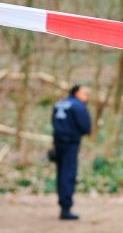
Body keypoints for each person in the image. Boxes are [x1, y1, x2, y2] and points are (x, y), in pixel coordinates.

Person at [51, 84, 91, 220]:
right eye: (85, 93)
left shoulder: (59, 104)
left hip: (58, 143)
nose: (87, 96)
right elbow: (86, 126)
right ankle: (66, 208)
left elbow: (54, 123)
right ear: (77, 92)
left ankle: (63, 204)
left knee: (61, 173)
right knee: (68, 174)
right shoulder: (78, 107)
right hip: (70, 144)